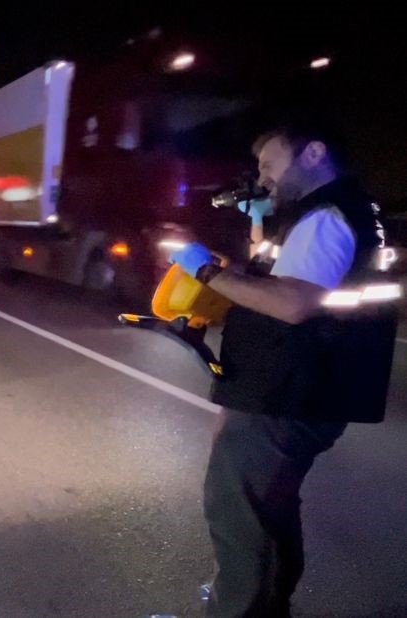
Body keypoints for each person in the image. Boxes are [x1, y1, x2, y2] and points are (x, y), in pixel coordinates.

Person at [169, 125, 397, 616]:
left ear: (313, 154)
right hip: (297, 386)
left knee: (242, 514)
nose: (262, 178)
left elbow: (292, 302)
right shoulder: (338, 211)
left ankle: (241, 610)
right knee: (265, 511)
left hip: (293, 390)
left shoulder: (327, 216)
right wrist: (257, 226)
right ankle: (261, 603)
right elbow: (284, 275)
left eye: (270, 165)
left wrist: (205, 271)